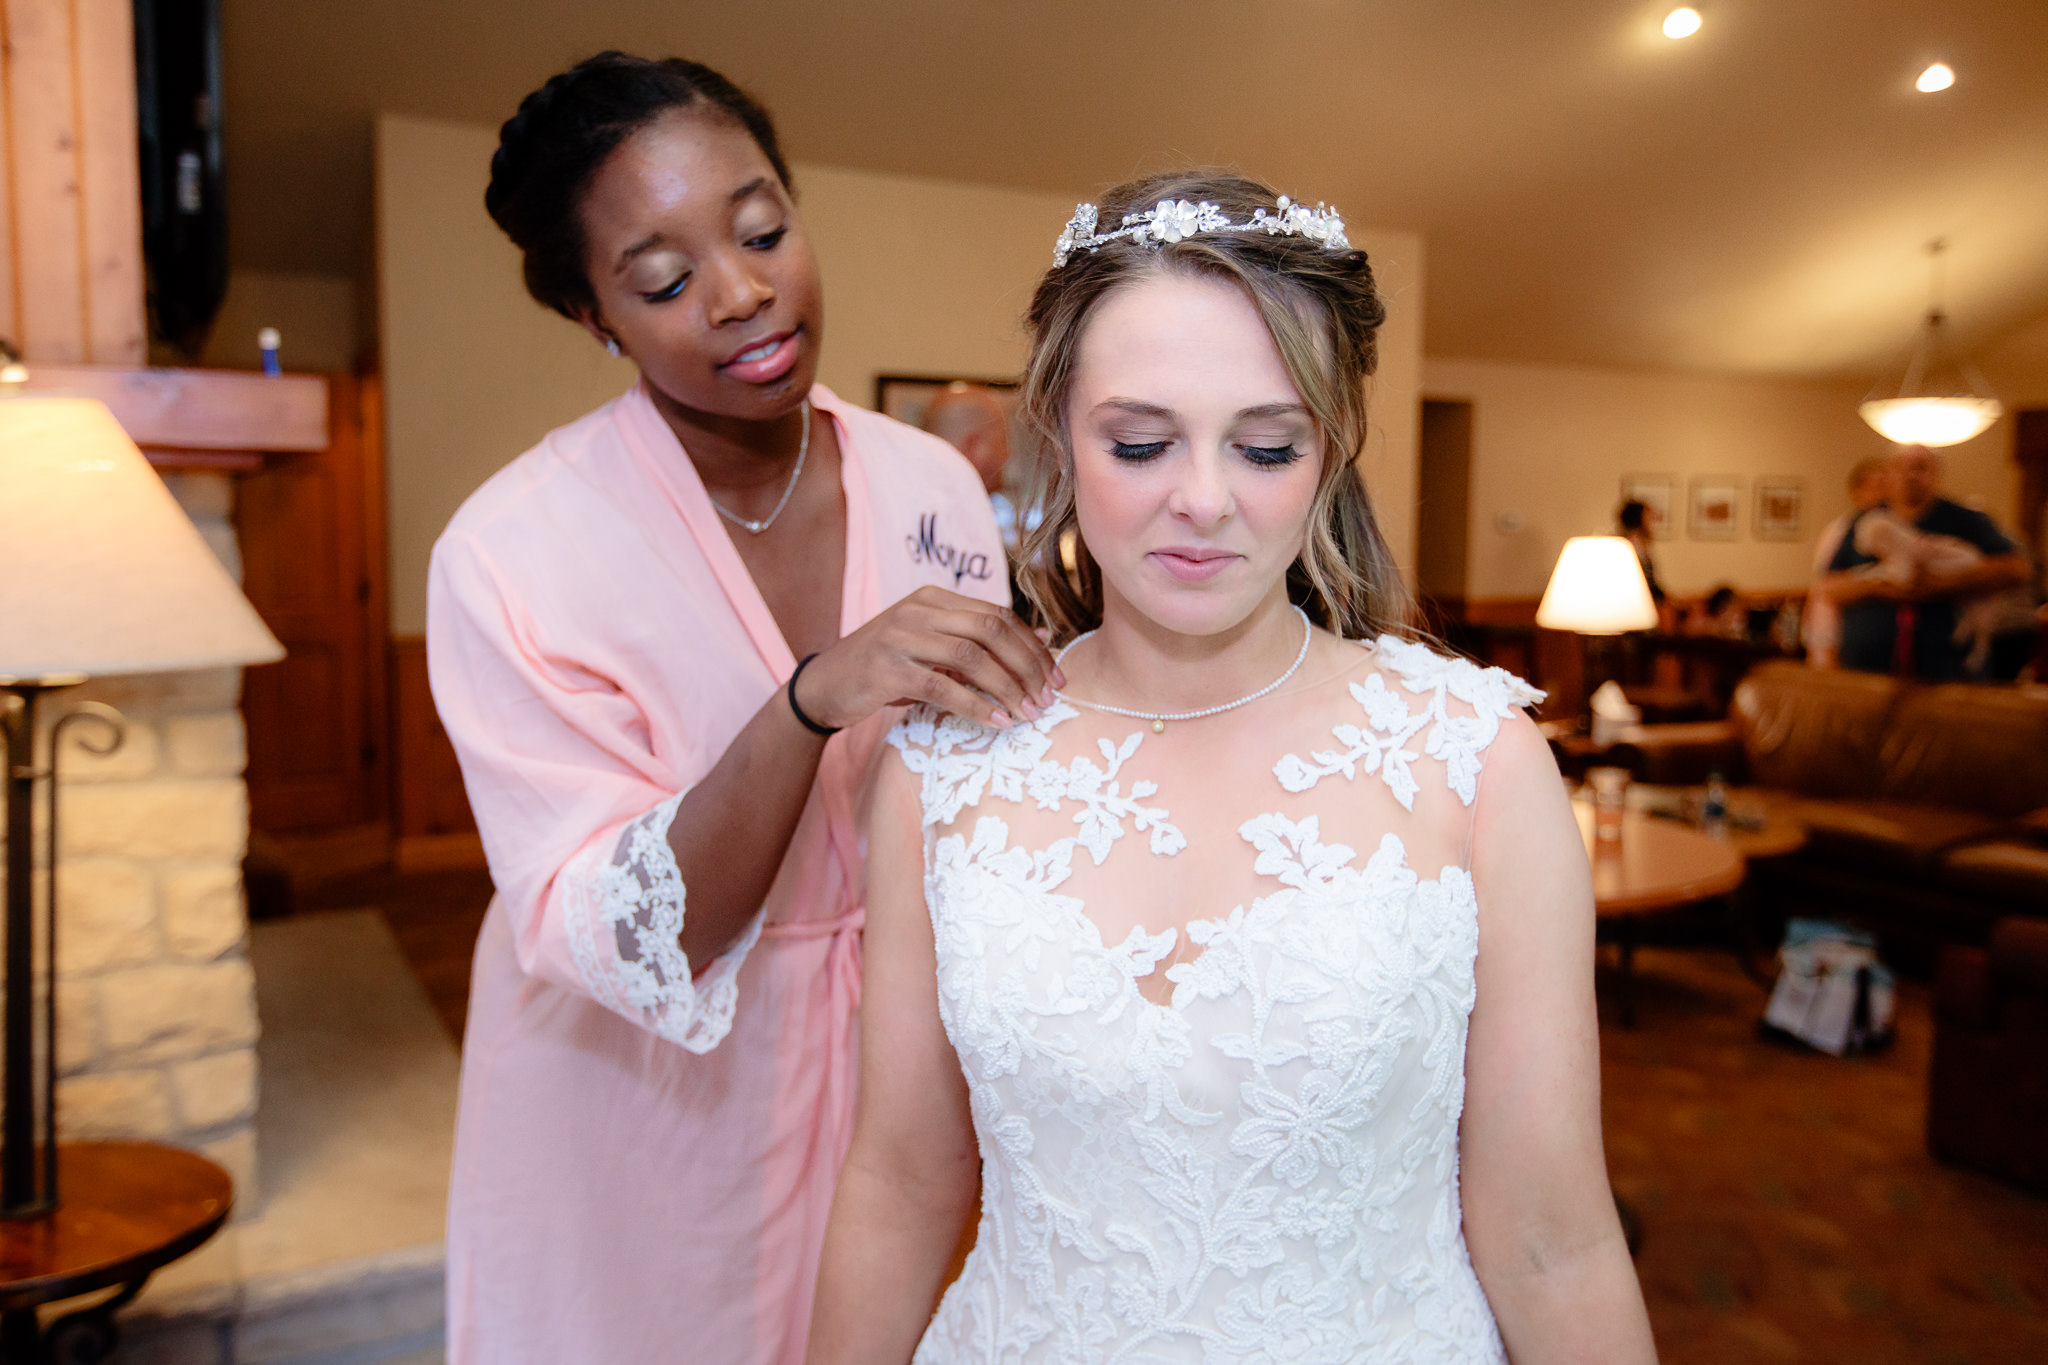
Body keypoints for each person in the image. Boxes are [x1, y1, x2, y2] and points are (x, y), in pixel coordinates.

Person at [810, 172, 1656, 1363]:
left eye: (1263, 447)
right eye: (1141, 441)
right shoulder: (943, 770)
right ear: (1057, 432)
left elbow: (1550, 1239)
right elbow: (899, 1184)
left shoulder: (1474, 761)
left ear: (1329, 450)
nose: (1200, 500)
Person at [429, 53, 1055, 1364]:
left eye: (765, 228)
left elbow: (983, 786)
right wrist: (810, 699)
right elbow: (637, 930)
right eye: (663, 279)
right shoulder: (512, 552)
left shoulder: (931, 480)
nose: (743, 289)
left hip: (882, 1060)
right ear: (593, 313)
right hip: (638, 1097)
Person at [1824, 444, 2029, 679]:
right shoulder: (1865, 521)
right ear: (1889, 473)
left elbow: (2016, 569)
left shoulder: (1966, 520)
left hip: (1947, 670)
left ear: (1936, 475)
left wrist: (1941, 584)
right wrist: (1880, 587)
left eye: (1920, 468)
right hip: (1867, 670)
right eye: (1900, 467)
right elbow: (1829, 586)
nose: (1908, 475)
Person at [1804, 457, 1889, 669]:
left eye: (1888, 486)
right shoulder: (1840, 533)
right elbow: (1825, 590)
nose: (1884, 494)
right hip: (1849, 644)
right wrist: (1824, 648)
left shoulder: (1897, 530)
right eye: (1877, 486)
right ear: (1858, 491)